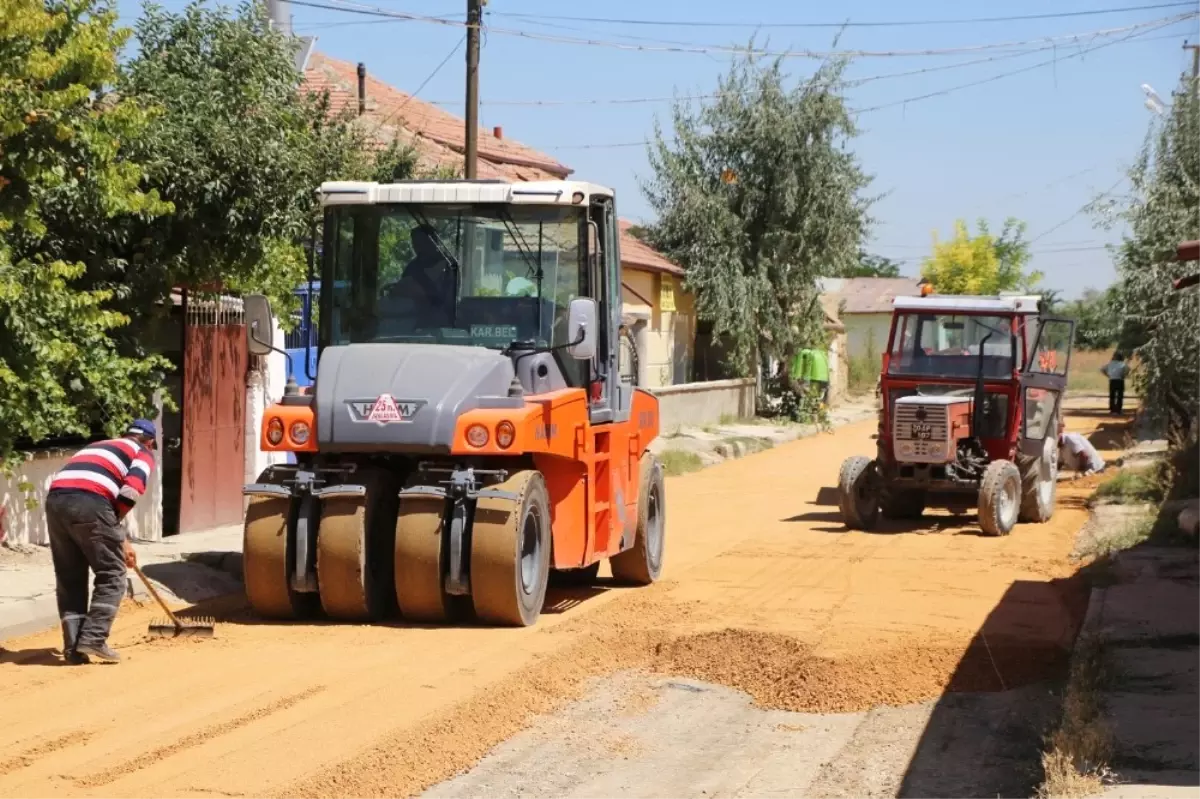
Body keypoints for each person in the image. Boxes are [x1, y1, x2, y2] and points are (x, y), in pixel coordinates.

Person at [45, 420, 157, 665]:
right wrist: (115, 530)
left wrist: (118, 535)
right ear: (150, 441)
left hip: (56, 501)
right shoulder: (142, 452)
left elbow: (94, 492)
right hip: (91, 501)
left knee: (69, 577)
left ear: (124, 434)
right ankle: (94, 638)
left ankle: (73, 648)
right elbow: (130, 491)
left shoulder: (98, 445)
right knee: (113, 573)